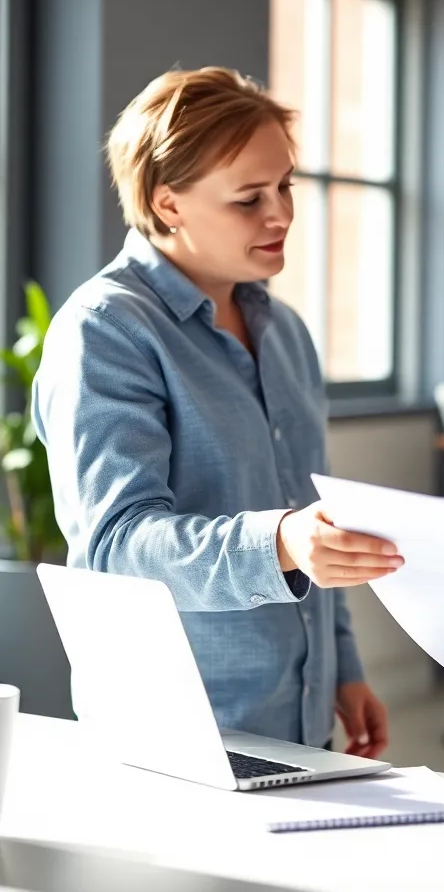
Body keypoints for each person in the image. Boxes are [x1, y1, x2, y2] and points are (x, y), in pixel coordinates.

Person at [33, 67, 404, 758]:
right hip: (174, 738)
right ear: (168, 203)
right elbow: (117, 546)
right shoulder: (106, 331)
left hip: (299, 724)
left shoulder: (284, 331)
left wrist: (342, 668)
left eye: (286, 185)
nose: (282, 214)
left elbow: (311, 516)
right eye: (248, 199)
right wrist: (281, 542)